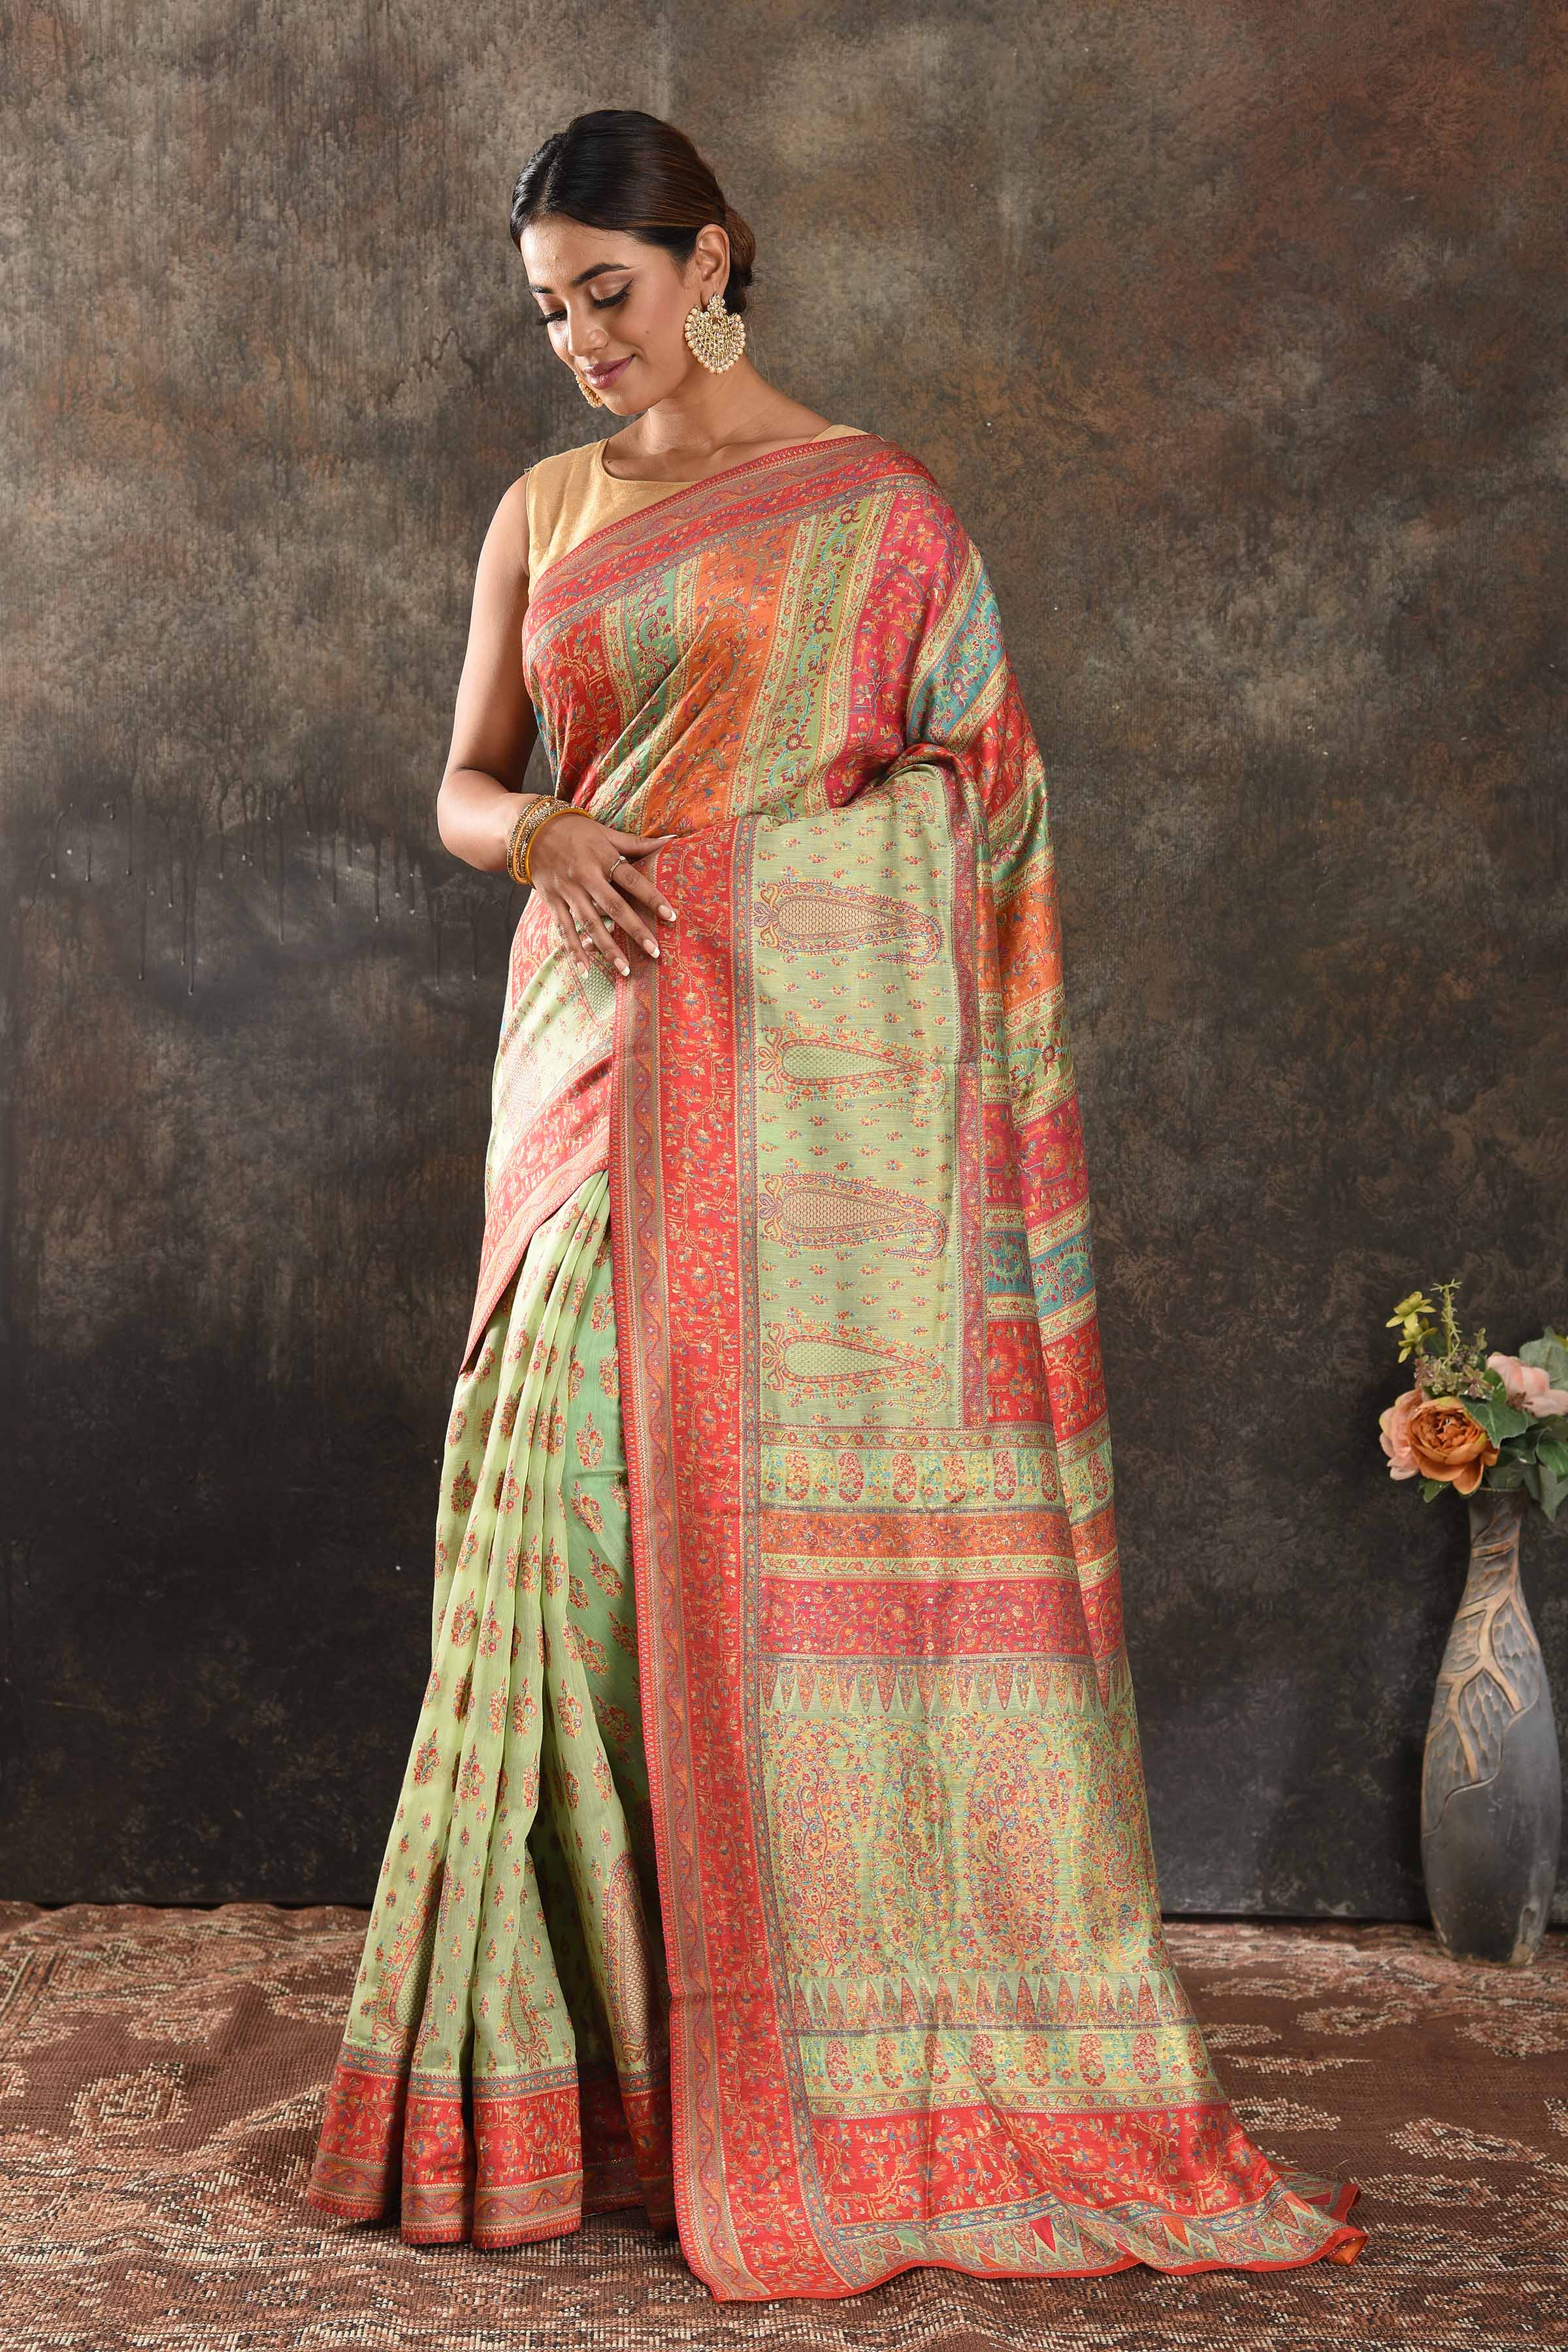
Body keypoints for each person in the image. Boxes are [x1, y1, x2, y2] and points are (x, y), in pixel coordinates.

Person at [305, 106, 1369, 2302]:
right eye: (549, 310)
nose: (580, 341)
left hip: (809, 1111)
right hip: (590, 1066)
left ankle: (760, 2054)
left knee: (705, 1548)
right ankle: (578, 2087)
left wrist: (738, 877)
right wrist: (539, 838)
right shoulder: (542, 510)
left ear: (712, 261)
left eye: (609, 293)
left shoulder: (881, 518)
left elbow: (984, 813)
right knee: (549, 1542)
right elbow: (465, 782)